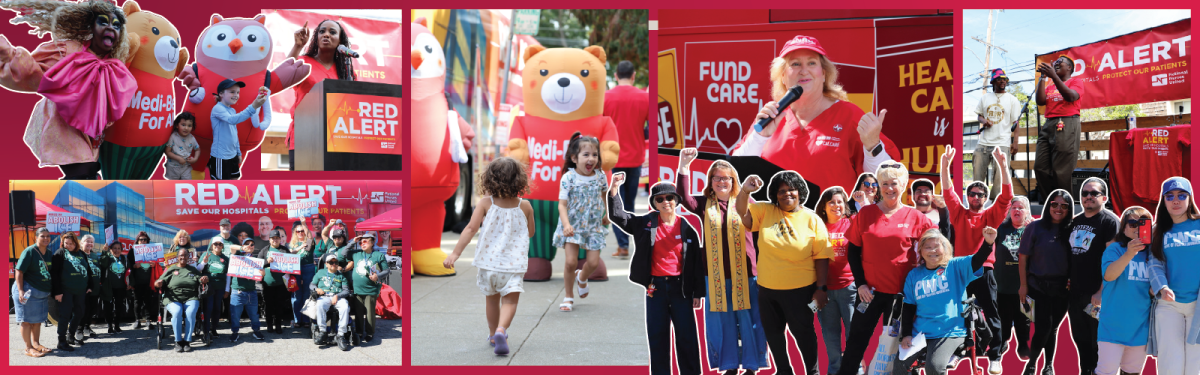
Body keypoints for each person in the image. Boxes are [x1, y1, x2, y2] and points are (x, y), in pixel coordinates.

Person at [733, 35, 899, 201]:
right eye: (795, 64)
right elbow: (735, 171)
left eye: (812, 63)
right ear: (783, 76)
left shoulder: (849, 115)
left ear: (824, 74)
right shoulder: (772, 115)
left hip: (832, 224)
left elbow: (885, 180)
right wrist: (759, 137)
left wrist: (873, 146)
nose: (804, 70)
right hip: (775, 224)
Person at [0, 0, 135, 180]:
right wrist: (7, 54)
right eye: (103, 22)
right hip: (60, 123)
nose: (111, 28)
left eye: (117, 25)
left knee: (88, 174)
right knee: (83, 171)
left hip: (87, 133)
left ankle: (65, 202)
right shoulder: (68, 51)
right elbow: (35, 73)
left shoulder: (114, 69)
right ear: (90, 27)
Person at [838, 161, 936, 375]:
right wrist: (861, 284)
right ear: (879, 187)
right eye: (884, 184)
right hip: (869, 294)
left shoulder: (916, 217)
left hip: (902, 296)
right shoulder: (865, 214)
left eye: (894, 183)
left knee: (900, 346)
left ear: (903, 185)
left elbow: (937, 246)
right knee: (856, 340)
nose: (889, 188)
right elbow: (853, 251)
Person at [676, 148, 768, 374]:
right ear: (711, 181)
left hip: (747, 274)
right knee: (723, 321)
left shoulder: (747, 202)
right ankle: (728, 366)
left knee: (748, 318)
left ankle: (751, 365)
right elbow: (684, 198)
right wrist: (684, 166)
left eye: (725, 178)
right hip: (715, 276)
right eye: (716, 178)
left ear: (733, 180)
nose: (720, 182)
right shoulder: (704, 204)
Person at [737, 171, 831, 375]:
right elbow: (742, 214)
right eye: (781, 191)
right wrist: (745, 190)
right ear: (775, 194)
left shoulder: (812, 219)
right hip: (768, 289)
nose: (787, 194)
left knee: (804, 333)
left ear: (800, 192)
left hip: (800, 289)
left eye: (791, 190)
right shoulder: (764, 210)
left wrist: (821, 288)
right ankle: (783, 370)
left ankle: (812, 371)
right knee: (774, 333)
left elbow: (822, 256)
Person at [444, 156, 535, 355]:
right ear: (519, 180)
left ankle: (493, 334)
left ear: (489, 180)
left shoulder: (486, 203)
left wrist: (455, 254)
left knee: (491, 300)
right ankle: (503, 329)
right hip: (513, 266)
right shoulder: (525, 206)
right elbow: (530, 232)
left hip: (488, 264)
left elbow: (469, 229)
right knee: (510, 302)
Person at [612, 177, 702, 374]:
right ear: (653, 203)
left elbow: (696, 264)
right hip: (655, 288)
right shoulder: (645, 223)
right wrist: (614, 190)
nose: (665, 202)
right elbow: (618, 216)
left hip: (681, 289)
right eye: (659, 199)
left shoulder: (687, 228)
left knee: (687, 337)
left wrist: (697, 293)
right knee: (658, 336)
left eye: (670, 197)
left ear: (677, 200)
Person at [940, 146, 1012, 372]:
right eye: (971, 193)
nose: (975, 197)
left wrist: (1002, 164)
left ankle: (995, 356)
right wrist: (944, 165)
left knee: (991, 313)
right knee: (955, 314)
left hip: (984, 271)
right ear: (967, 196)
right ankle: (955, 353)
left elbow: (1007, 196)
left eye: (980, 194)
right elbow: (947, 191)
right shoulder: (959, 213)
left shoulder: (991, 215)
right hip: (960, 271)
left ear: (985, 198)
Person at [895, 228, 996, 375]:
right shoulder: (914, 275)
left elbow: (977, 260)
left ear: (946, 247)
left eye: (937, 246)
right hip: (920, 333)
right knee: (899, 367)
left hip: (949, 331)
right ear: (921, 251)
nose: (932, 251)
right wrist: (907, 334)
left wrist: (988, 243)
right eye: (927, 247)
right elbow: (909, 307)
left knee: (934, 368)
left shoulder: (955, 266)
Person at [285, 19, 357, 169]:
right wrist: (298, 46)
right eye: (322, 31)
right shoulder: (303, 62)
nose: (326, 35)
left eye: (332, 32)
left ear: (340, 41)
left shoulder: (346, 71)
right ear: (316, 37)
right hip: (304, 139)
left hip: (336, 141)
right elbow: (284, 76)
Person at [1018, 190, 1075, 375]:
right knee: (1043, 326)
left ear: (1069, 209)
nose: (1058, 208)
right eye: (1054, 204)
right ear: (1048, 205)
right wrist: (1023, 285)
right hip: (1037, 286)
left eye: (1064, 206)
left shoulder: (1072, 229)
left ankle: (1048, 365)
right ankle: (1032, 363)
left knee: (1053, 328)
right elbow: (1023, 257)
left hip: (1063, 288)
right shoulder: (1034, 227)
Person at [1066, 177, 1119, 375]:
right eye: (1084, 193)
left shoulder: (1110, 221)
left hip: (1097, 294)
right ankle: (1085, 370)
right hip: (1076, 293)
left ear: (1104, 197)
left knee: (1099, 341)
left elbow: (1112, 262)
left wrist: (1101, 291)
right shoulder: (1076, 221)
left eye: (1093, 193)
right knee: (1080, 338)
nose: (1088, 197)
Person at [1147, 177, 1200, 375]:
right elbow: (1154, 264)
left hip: (1198, 306)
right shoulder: (1157, 231)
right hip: (1169, 306)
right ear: (1164, 200)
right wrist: (1162, 287)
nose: (1175, 200)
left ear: (1189, 198)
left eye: (1181, 195)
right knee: (1171, 363)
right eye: (1169, 196)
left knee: (1196, 364)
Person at [553, 132, 610, 311]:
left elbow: (603, 194)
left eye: (595, 155)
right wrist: (566, 224)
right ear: (574, 158)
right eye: (586, 155)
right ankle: (568, 296)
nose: (591, 159)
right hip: (573, 225)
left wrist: (605, 213)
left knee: (593, 262)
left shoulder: (600, 176)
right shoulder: (568, 178)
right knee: (570, 262)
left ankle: (582, 277)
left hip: (593, 225)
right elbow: (562, 205)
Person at [1095, 206, 1154, 375]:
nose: (1137, 227)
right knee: (1105, 371)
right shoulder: (1115, 249)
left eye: (1143, 223)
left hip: (1140, 328)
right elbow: (1109, 275)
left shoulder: (1153, 253)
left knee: (1131, 372)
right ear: (1124, 227)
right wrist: (1129, 253)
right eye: (1133, 223)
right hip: (1112, 327)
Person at [604, 60, 649, 259]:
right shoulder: (645, 97)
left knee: (614, 202)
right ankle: (633, 243)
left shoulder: (605, 98)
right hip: (636, 157)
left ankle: (623, 246)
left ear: (615, 75)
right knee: (629, 203)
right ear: (633, 75)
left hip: (613, 158)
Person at [815, 186, 859, 375]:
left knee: (853, 335)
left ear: (845, 205)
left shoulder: (853, 223)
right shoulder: (816, 225)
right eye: (831, 202)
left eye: (840, 201)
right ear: (824, 206)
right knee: (830, 335)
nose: (836, 205)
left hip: (849, 287)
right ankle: (834, 370)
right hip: (823, 290)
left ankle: (854, 369)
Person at [1034, 55, 1085, 198]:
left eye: (1060, 62)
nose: (1056, 64)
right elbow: (1040, 101)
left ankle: (1064, 205)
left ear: (1069, 67)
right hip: (1049, 123)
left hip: (1067, 122)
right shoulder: (1050, 85)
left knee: (1061, 169)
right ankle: (1049, 202)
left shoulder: (1076, 81)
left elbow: (1071, 97)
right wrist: (1043, 78)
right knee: (1040, 167)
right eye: (1054, 63)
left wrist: (1053, 77)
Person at [992, 196, 1033, 362]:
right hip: (1003, 283)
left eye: (1021, 207)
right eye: (1013, 207)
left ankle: (1023, 343)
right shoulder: (1001, 228)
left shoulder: (1033, 228)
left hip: (1027, 284)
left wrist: (1034, 230)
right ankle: (1002, 342)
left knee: (1025, 317)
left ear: (1027, 211)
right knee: (1003, 317)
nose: (1017, 210)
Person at [974, 68, 1022, 200]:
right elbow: (979, 116)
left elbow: (1016, 123)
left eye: (1004, 79)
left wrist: (1016, 142)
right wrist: (984, 121)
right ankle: (977, 202)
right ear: (993, 81)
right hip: (983, 143)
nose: (1003, 81)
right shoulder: (985, 98)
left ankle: (995, 204)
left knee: (1000, 178)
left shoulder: (1013, 100)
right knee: (977, 177)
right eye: (999, 79)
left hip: (1002, 144)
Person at [208, 78, 268, 180]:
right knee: (221, 188)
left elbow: (234, 134)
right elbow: (232, 120)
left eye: (238, 92)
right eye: (232, 92)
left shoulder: (232, 110)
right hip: (221, 157)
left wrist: (238, 153)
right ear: (221, 94)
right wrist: (253, 106)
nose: (236, 95)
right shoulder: (217, 108)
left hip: (233, 156)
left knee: (234, 181)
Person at [155, 247, 207, 352]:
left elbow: (202, 280)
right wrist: (158, 283)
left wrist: (204, 279)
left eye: (185, 255)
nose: (183, 257)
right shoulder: (172, 269)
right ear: (177, 257)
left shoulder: (193, 270)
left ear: (189, 257)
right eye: (181, 255)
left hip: (191, 297)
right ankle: (178, 341)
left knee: (191, 312)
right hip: (173, 297)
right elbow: (158, 281)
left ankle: (187, 341)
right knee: (177, 312)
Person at [13, 228, 54, 357]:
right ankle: (28, 348)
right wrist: (20, 291)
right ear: (36, 237)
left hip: (41, 293)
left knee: (37, 321)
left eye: (48, 236)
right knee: (26, 321)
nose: (46, 238)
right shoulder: (30, 251)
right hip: (27, 291)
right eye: (42, 236)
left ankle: (36, 344)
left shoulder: (49, 253)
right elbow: (19, 271)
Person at [51, 231, 94, 351]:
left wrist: (89, 285)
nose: (68, 245)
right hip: (65, 290)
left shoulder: (81, 253)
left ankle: (71, 335)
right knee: (65, 315)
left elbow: (88, 270)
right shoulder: (60, 253)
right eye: (66, 243)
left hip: (80, 290)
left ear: (76, 243)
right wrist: (57, 291)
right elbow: (54, 273)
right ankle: (61, 340)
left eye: (71, 243)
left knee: (80, 313)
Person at [349, 232, 389, 343]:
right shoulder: (356, 254)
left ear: (372, 242)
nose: (362, 244)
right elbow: (342, 253)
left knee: (370, 313)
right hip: (357, 289)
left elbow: (387, 270)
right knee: (358, 313)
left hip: (371, 289)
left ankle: (370, 333)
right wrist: (353, 241)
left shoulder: (378, 255)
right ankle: (359, 332)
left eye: (365, 241)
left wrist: (378, 276)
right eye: (361, 242)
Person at [225, 236, 265, 342]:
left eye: (252, 244)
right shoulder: (237, 256)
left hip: (251, 291)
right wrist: (242, 249)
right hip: (237, 291)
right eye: (247, 244)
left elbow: (261, 275)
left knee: (254, 315)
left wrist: (262, 273)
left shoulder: (256, 260)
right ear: (243, 245)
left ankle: (256, 330)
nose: (250, 246)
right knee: (235, 315)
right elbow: (232, 247)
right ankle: (235, 332)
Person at [313, 255, 352, 350]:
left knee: (345, 306)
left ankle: (341, 335)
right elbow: (312, 284)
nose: (334, 264)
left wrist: (337, 296)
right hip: (324, 296)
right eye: (331, 262)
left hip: (337, 296)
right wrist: (316, 289)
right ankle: (322, 331)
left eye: (336, 263)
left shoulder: (341, 275)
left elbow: (346, 291)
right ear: (326, 264)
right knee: (320, 304)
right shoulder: (320, 273)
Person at [260, 230, 291, 334]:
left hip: (281, 284)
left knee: (279, 305)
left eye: (277, 238)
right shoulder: (265, 250)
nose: (275, 240)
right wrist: (266, 262)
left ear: (280, 239)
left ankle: (278, 325)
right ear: (269, 240)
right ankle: (269, 325)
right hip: (268, 284)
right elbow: (258, 264)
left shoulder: (285, 250)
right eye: (273, 238)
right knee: (268, 305)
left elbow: (291, 264)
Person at [289, 222, 317, 329]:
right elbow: (291, 254)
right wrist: (301, 247)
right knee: (296, 295)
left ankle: (306, 319)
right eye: (298, 231)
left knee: (306, 295)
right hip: (296, 270)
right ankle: (297, 319)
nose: (300, 233)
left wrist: (304, 224)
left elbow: (310, 235)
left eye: (302, 231)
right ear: (295, 233)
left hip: (308, 269)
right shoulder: (292, 244)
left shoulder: (309, 242)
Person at [198, 239, 228, 339]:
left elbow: (228, 275)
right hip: (208, 288)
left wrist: (227, 289)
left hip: (220, 287)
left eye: (220, 244)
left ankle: (213, 329)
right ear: (211, 245)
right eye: (215, 244)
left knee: (217, 309)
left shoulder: (225, 258)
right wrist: (204, 262)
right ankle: (206, 331)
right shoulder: (206, 255)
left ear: (223, 246)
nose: (218, 246)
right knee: (208, 309)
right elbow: (198, 270)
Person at [100, 241, 129, 334]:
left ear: (121, 250)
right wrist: (104, 252)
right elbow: (103, 264)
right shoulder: (108, 257)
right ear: (111, 249)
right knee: (108, 307)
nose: (117, 250)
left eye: (119, 248)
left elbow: (128, 271)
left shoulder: (123, 258)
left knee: (119, 307)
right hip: (109, 287)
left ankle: (117, 325)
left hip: (120, 287)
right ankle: (109, 326)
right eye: (114, 248)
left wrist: (128, 283)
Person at [164, 112, 200, 180]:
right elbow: (167, 151)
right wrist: (179, 158)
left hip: (186, 168)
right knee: (172, 187)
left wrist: (195, 159)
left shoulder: (192, 138)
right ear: (177, 125)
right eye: (183, 125)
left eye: (189, 126)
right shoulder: (173, 137)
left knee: (186, 185)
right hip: (173, 168)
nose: (186, 128)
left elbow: (197, 149)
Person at [80, 235, 102, 339]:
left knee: (92, 309)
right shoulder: (79, 255)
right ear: (81, 243)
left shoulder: (94, 255)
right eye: (87, 241)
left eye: (91, 242)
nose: (90, 244)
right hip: (84, 288)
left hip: (95, 288)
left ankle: (87, 327)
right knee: (84, 309)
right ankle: (80, 328)